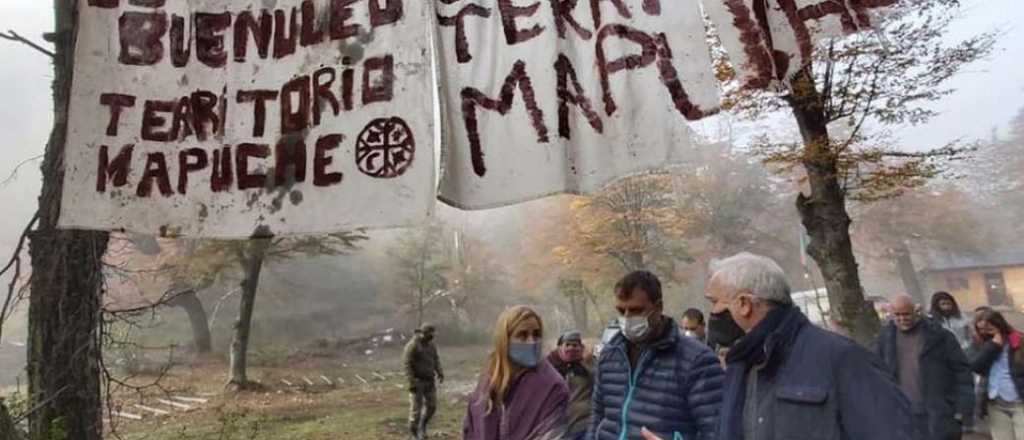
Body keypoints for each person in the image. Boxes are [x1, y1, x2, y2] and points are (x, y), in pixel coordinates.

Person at [643, 252, 911, 440]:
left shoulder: (843, 359)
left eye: (715, 302)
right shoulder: (741, 365)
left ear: (744, 304)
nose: (712, 313)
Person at [590, 270, 723, 440]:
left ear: (658, 307)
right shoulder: (609, 355)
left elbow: (716, 430)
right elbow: (597, 415)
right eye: (621, 311)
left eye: (636, 310)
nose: (627, 318)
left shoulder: (696, 360)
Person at [876, 294, 973, 440]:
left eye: (906, 314)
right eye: (897, 315)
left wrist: (961, 410)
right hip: (903, 413)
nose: (902, 319)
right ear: (891, 313)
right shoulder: (885, 339)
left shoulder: (940, 337)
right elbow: (877, 372)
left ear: (916, 311)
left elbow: (962, 372)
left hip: (940, 413)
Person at [463, 306, 569, 440]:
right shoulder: (487, 380)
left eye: (536, 334)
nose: (532, 341)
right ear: (505, 340)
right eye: (522, 335)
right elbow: (471, 428)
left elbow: (553, 434)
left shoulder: (553, 386)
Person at [969, 309, 1024, 440]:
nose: (984, 332)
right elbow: (975, 366)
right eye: (980, 329)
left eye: (988, 328)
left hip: (1019, 402)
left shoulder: (1018, 340)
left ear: (998, 324)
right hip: (996, 404)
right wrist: (993, 346)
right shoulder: (980, 344)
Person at [546, 330, 593, 440]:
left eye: (575, 345)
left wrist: (587, 362)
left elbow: (600, 383)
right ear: (560, 347)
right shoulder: (549, 367)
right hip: (558, 430)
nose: (571, 348)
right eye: (567, 345)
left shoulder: (587, 366)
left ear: (581, 348)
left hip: (584, 427)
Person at [403, 323, 444, 440]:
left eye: (433, 333)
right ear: (422, 333)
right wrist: (411, 382)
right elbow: (407, 365)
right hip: (417, 381)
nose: (432, 335)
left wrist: (440, 372)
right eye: (430, 333)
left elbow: (436, 359)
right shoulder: (412, 346)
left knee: (432, 407)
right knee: (416, 411)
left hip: (429, 380)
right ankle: (414, 433)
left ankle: (423, 426)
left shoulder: (431, 345)